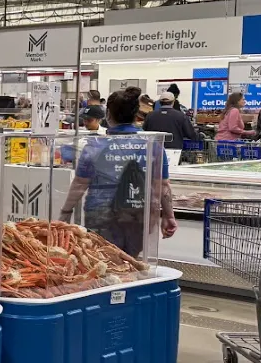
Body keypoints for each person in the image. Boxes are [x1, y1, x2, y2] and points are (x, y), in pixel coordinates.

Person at [59, 87, 176, 257]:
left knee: (102, 263)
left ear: (107, 114)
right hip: (138, 214)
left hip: (101, 215)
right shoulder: (153, 145)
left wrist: (66, 212)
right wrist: (168, 215)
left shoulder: (95, 146)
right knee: (131, 262)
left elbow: (79, 184)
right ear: (136, 115)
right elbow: (162, 185)